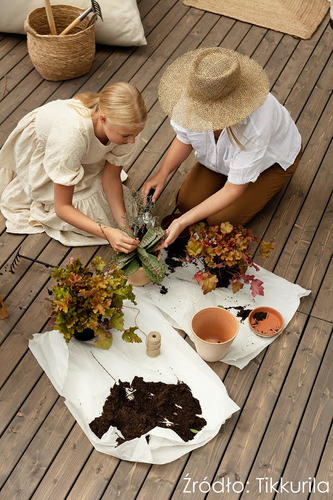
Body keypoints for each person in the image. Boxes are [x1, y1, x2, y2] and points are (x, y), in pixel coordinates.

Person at [142, 47, 302, 248]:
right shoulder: (191, 96)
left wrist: (182, 221)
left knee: (219, 221)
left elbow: (233, 190)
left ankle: (266, 185)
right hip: (222, 160)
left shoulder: (257, 122)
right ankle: (226, 177)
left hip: (271, 163)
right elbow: (184, 138)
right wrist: (162, 173)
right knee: (186, 203)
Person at [0, 82, 147, 253]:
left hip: (82, 151)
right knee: (88, 211)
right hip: (53, 148)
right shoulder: (71, 135)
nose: (132, 141)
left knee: (117, 213)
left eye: (135, 134)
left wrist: (124, 227)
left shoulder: (126, 128)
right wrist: (107, 233)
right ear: (103, 118)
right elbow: (62, 207)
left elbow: (111, 178)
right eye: (127, 136)